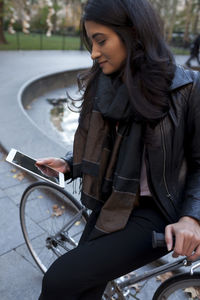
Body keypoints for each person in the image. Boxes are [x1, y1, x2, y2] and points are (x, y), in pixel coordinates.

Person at [37, 0, 200, 299]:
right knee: (83, 289)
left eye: (101, 40)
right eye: (91, 41)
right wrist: (70, 164)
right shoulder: (105, 82)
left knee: (59, 280)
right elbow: (106, 147)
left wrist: (192, 218)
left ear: (133, 34)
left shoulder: (187, 88)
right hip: (110, 201)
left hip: (156, 212)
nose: (93, 52)